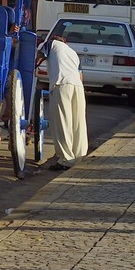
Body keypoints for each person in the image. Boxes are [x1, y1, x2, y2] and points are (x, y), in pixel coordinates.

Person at [41, 31, 88, 171]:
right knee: (77, 122)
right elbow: (80, 75)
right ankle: (79, 155)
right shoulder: (73, 53)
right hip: (78, 87)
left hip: (61, 84)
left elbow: (38, 59)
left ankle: (66, 160)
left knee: (62, 122)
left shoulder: (50, 44)